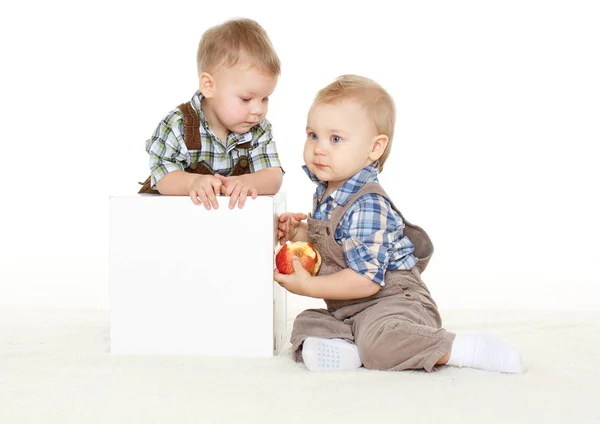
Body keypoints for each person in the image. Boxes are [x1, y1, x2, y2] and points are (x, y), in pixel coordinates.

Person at [274, 75, 525, 373]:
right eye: (312, 135)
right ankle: (346, 350)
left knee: (380, 342)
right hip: (349, 308)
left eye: (335, 138)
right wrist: (298, 233)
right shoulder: (327, 191)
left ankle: (459, 349)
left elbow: (365, 280)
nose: (319, 148)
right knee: (307, 321)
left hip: (394, 301)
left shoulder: (367, 204)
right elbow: (336, 243)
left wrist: (309, 285)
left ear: (375, 148)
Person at [143, 18, 284, 209]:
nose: (258, 110)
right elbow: (162, 175)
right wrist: (192, 183)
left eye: (265, 98)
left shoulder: (258, 128)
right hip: (177, 219)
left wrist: (249, 182)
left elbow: (273, 176)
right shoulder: (177, 125)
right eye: (246, 99)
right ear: (209, 86)